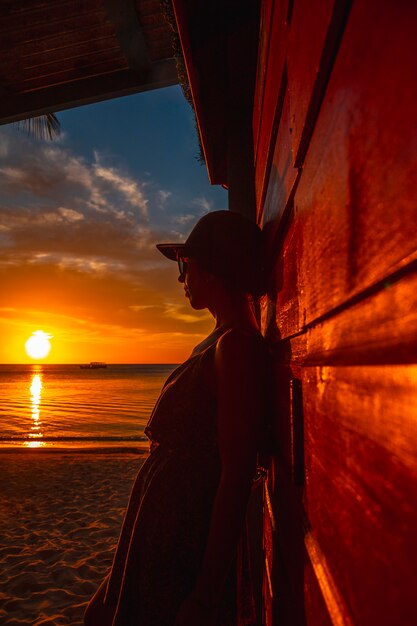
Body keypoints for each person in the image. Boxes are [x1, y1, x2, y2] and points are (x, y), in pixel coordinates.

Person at [84, 210, 270, 626]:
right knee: (101, 614)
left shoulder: (235, 347)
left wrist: (204, 596)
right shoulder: (219, 338)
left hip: (183, 536)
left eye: (186, 266)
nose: (181, 278)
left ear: (216, 269)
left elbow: (235, 475)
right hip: (159, 524)